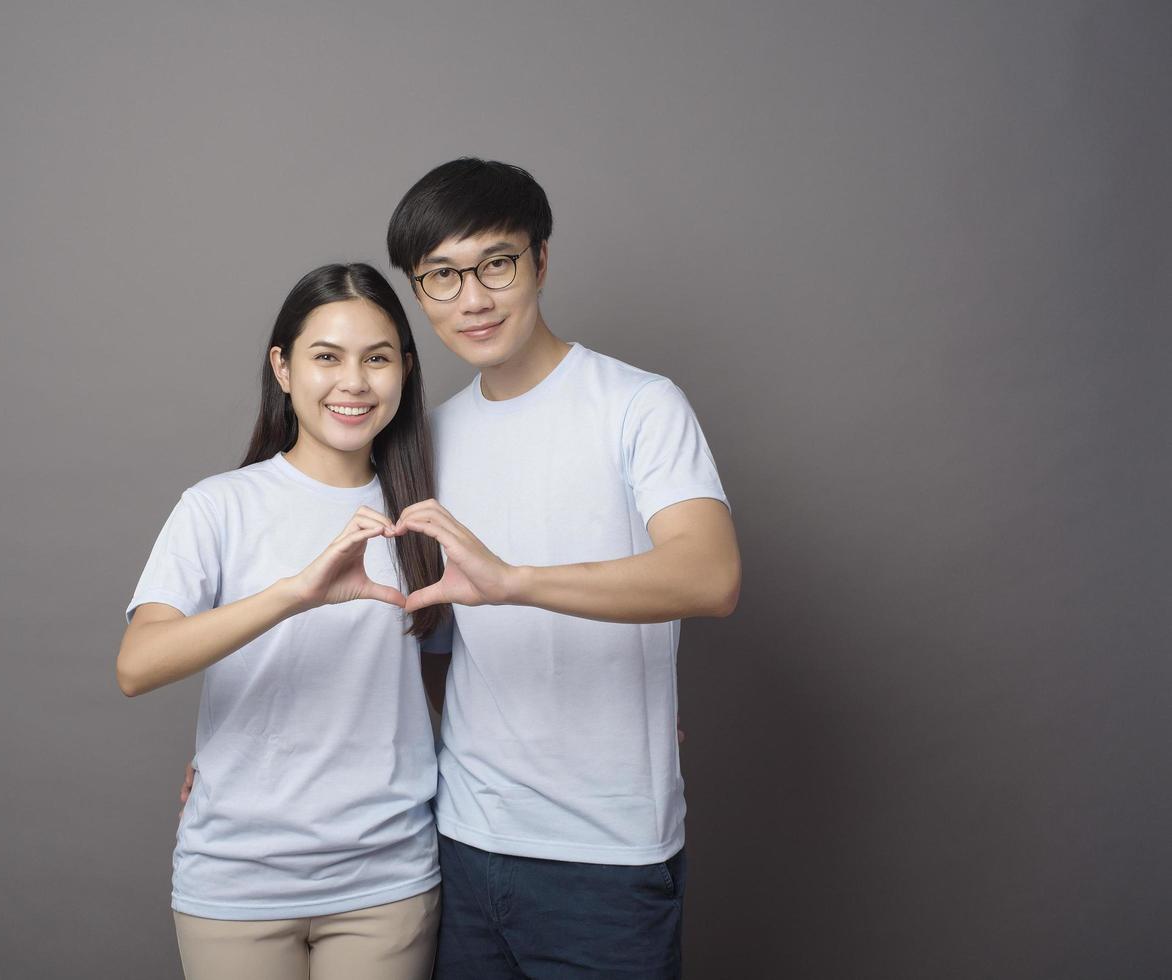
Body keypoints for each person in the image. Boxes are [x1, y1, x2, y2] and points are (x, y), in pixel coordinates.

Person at [387, 158, 742, 978]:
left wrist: (516, 582)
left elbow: (710, 574)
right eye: (441, 276)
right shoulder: (428, 441)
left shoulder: (637, 406)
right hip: (462, 842)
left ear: (541, 261)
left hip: (606, 855)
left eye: (495, 265)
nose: (470, 298)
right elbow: (427, 645)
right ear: (419, 291)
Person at [118, 263, 448, 980]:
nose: (353, 382)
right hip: (236, 876)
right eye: (326, 356)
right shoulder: (218, 506)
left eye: (378, 358)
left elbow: (449, 671)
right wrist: (295, 592)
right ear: (284, 368)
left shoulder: (426, 511)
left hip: (385, 875)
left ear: (406, 370)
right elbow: (138, 665)